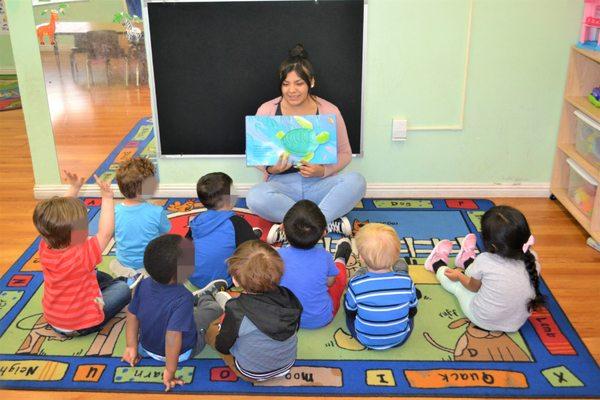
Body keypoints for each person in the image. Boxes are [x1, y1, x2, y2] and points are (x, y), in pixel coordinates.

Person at [246, 43, 366, 243]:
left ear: (311, 82)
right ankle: (322, 222)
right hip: (282, 187)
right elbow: (255, 154)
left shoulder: (329, 110)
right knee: (255, 197)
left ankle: (298, 224)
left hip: (320, 185)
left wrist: (322, 172)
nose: (291, 90)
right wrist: (271, 169)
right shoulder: (267, 110)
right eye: (286, 84)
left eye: (299, 83)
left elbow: (345, 153)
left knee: (357, 181)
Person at [122, 234, 226, 392]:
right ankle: (205, 297)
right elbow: (173, 336)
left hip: (146, 348)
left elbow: (132, 314)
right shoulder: (182, 298)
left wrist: (131, 346)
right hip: (183, 352)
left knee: (178, 314)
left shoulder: (142, 284)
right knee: (212, 311)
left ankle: (198, 298)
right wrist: (170, 371)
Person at [33, 171, 131, 336]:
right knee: (123, 289)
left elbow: (57, 217)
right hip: (83, 323)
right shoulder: (84, 254)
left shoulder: (45, 246)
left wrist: (74, 188)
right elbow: (106, 233)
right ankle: (112, 289)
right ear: (76, 233)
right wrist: (107, 197)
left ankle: (103, 288)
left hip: (55, 319)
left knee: (97, 274)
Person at [424, 205, 544, 332]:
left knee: (458, 286)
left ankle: (436, 264)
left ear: (492, 244)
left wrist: (459, 275)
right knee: (485, 275)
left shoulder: (485, 260)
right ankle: (466, 260)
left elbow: (473, 287)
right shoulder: (532, 258)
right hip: (515, 323)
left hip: (482, 319)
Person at [205, 240, 303, 382]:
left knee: (212, 329)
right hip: (287, 364)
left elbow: (223, 346)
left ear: (236, 281)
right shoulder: (288, 296)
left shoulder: (235, 310)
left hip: (251, 373)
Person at [278, 200, 352, 329]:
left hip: (287, 319)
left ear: (283, 228)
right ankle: (341, 257)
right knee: (338, 276)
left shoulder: (277, 256)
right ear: (324, 233)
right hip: (321, 318)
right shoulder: (324, 256)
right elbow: (330, 283)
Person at [344, 223, 418, 350]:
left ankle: (364, 274)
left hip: (365, 339)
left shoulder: (355, 284)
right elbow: (413, 310)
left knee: (349, 308)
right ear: (396, 256)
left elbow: (350, 311)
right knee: (408, 311)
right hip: (400, 338)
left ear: (361, 257)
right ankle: (398, 273)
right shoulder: (408, 281)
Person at [187, 172, 256, 290]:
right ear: (228, 198)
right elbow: (254, 251)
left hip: (193, 277)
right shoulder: (237, 223)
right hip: (222, 281)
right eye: (233, 188)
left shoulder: (197, 221)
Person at [111, 157, 171, 279]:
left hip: (124, 262)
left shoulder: (114, 212)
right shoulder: (157, 212)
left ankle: (129, 277)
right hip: (149, 263)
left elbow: (112, 234)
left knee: (114, 264)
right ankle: (142, 277)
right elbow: (165, 233)